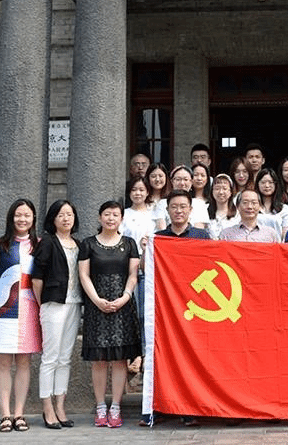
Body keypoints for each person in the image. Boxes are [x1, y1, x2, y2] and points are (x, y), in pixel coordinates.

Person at [0, 198, 43, 433]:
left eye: (27, 215)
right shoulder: (0, 244)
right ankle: (5, 415)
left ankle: (19, 414)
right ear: (11, 217)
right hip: (3, 309)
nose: (22, 219)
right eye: (18, 215)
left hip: (29, 308)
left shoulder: (39, 244)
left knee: (24, 362)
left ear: (33, 218)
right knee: (4, 362)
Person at [147, 191, 210, 428]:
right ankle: (162, 405)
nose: (179, 211)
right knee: (168, 356)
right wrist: (146, 250)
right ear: (167, 211)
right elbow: (147, 269)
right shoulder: (159, 238)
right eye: (174, 207)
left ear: (190, 210)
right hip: (168, 308)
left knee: (194, 357)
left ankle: (191, 407)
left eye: (183, 206)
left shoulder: (202, 237)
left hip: (197, 307)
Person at [78, 200, 141, 429]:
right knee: (99, 360)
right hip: (97, 306)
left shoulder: (129, 243)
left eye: (115, 214)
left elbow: (133, 274)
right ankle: (100, 406)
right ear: (99, 217)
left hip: (122, 305)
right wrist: (96, 300)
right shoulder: (88, 244)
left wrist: (125, 297)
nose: (111, 218)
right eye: (107, 214)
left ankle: (115, 406)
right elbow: (84, 275)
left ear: (121, 218)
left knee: (120, 359)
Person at [31, 199, 83, 430]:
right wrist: (42, 304)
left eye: (69, 214)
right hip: (53, 304)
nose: (65, 218)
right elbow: (37, 278)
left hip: (74, 304)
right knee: (50, 358)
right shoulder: (48, 242)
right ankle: (47, 408)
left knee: (65, 358)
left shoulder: (78, 244)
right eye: (60, 214)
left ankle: (60, 406)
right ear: (53, 219)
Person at [121, 177, 156, 373]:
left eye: (141, 189)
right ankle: (132, 353)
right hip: (128, 268)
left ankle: (143, 354)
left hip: (149, 269)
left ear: (147, 192)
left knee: (145, 314)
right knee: (130, 313)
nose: (138, 193)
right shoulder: (124, 214)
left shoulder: (154, 213)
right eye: (134, 189)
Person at [256, 166, 288, 231]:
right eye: (263, 182)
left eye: (270, 182)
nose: (267, 186)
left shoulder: (285, 209)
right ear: (257, 184)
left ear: (276, 185)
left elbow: (286, 233)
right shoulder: (252, 207)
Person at [207, 173, 239, 239]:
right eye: (217, 189)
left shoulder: (238, 214)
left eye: (224, 189)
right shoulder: (204, 211)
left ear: (230, 192)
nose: (221, 192)